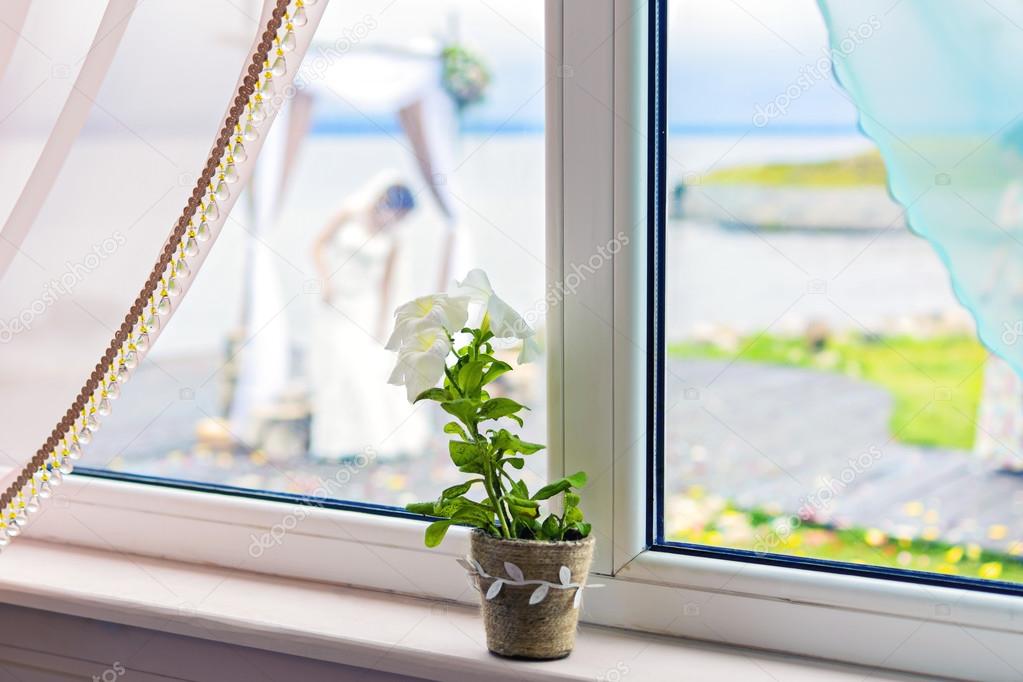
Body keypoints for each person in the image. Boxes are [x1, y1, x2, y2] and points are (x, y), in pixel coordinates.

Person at [308, 173, 427, 462]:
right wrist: (326, 280)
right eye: (392, 212)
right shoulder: (349, 213)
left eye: (400, 217)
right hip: (337, 301)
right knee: (339, 369)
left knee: (366, 369)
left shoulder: (394, 239)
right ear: (381, 202)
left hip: (366, 305)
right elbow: (317, 245)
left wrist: (382, 320)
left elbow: (387, 283)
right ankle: (337, 442)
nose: (393, 220)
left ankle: (371, 440)